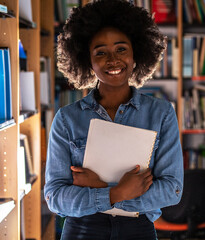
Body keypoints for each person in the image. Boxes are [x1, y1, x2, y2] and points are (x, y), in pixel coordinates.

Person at [44, 0, 184, 239]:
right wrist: (115, 194)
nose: (113, 59)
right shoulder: (67, 119)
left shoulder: (161, 114)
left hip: (138, 230)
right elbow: (55, 198)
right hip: (82, 230)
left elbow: (172, 190)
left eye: (121, 49)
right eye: (101, 52)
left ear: (136, 53)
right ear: (88, 60)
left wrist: (99, 188)